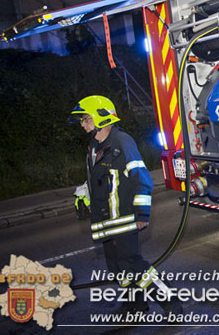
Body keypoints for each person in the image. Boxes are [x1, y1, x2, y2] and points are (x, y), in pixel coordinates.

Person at [69, 95, 179, 315]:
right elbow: (99, 179)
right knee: (117, 268)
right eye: (82, 120)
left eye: (86, 119)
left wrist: (142, 214)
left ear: (101, 118)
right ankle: (135, 305)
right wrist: (84, 195)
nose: (82, 124)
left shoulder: (122, 142)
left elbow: (142, 178)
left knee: (133, 265)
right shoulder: (93, 146)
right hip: (105, 220)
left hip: (124, 218)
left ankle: (171, 303)